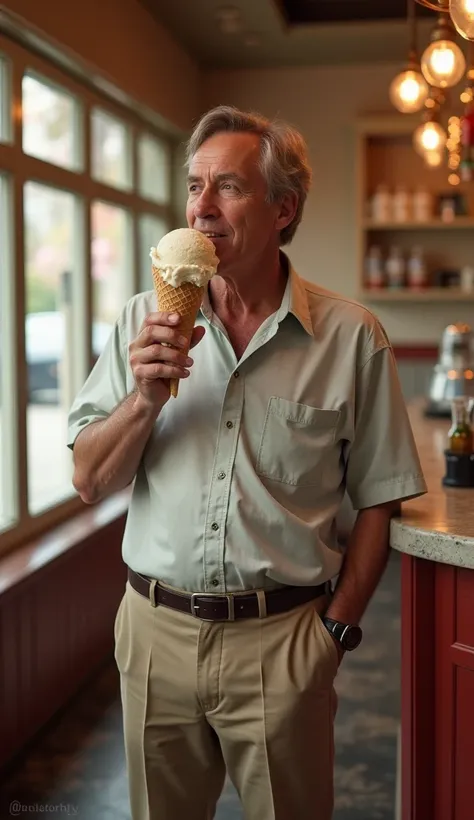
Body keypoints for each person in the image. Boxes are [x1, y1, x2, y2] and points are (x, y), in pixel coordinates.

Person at [67, 105, 427, 820]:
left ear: (283, 207)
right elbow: (88, 479)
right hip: (154, 634)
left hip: (283, 645)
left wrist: (333, 636)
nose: (200, 209)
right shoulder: (145, 319)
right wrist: (143, 400)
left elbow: (379, 500)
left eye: (226, 187)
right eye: (194, 186)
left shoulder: (352, 338)